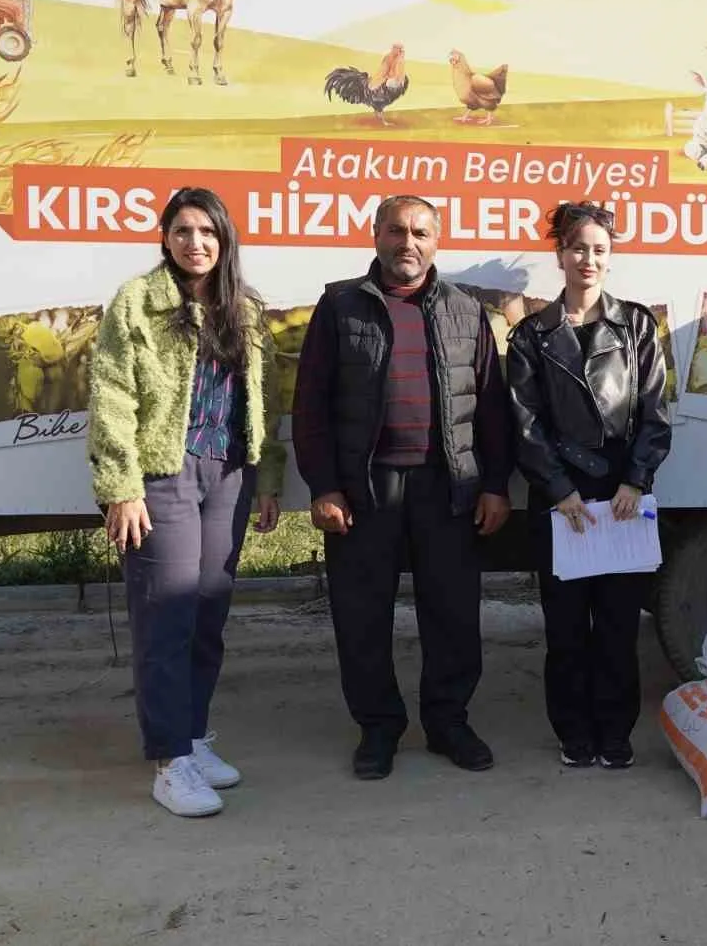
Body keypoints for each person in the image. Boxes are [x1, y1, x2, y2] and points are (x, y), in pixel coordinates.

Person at [291, 194, 514, 780]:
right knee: (362, 617)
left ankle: (448, 723)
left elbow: (491, 406)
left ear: (436, 242)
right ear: (375, 237)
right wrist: (324, 486)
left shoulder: (467, 310)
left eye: (419, 232)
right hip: (366, 491)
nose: (406, 243)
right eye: (395, 231)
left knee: (453, 615)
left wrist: (494, 484)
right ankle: (378, 729)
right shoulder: (340, 306)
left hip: (448, 489)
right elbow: (310, 405)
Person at [87, 186, 285, 818]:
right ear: (165, 239)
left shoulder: (246, 309)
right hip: (161, 477)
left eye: (207, 232)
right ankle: (169, 762)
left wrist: (269, 477)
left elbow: (265, 399)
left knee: (207, 615)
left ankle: (193, 737)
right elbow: (112, 394)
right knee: (165, 617)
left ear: (224, 240)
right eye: (181, 231)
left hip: (228, 476)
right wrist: (121, 487)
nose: (194, 243)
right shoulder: (137, 303)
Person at [505, 201, 672, 769]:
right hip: (563, 501)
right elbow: (524, 423)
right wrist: (559, 489)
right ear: (560, 254)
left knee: (619, 627)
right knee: (567, 627)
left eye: (599, 248)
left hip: (624, 497)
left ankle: (616, 733)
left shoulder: (638, 324)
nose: (589, 259)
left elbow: (655, 411)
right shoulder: (531, 335)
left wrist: (636, 479)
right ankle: (573, 732)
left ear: (610, 255)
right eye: (578, 247)